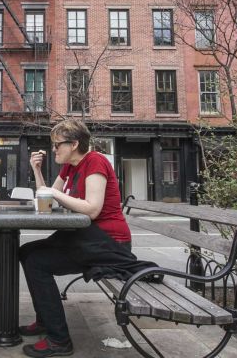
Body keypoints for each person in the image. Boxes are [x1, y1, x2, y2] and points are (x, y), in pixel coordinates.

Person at [19, 119, 157, 358]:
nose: (53, 150)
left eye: (57, 145)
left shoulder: (96, 161)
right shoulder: (69, 167)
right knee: (26, 251)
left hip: (108, 242)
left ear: (74, 144)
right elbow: (48, 200)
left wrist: (53, 193)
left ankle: (59, 340)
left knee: (35, 262)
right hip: (86, 237)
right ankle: (45, 320)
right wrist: (37, 171)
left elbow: (93, 209)